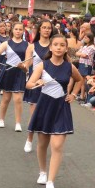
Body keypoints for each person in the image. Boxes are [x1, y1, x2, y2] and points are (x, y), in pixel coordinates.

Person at [26, 34, 82, 188]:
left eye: (62, 45)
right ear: (50, 47)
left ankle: (51, 181)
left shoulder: (69, 67)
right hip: (44, 106)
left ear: (66, 48)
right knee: (42, 143)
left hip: (61, 107)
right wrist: (36, 83)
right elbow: (28, 84)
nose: (58, 47)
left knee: (56, 145)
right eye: (55, 44)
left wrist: (73, 94)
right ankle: (43, 172)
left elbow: (79, 80)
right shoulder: (42, 66)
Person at [23, 19, 58, 154]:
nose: (46, 30)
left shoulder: (54, 46)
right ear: (39, 30)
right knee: (35, 114)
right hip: (35, 82)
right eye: (44, 27)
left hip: (50, 84)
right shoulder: (32, 46)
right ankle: (29, 139)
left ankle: (45, 142)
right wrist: (22, 67)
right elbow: (27, 65)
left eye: (49, 28)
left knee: (49, 114)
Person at [0, 21, 29, 131]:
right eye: (16, 29)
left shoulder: (27, 45)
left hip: (20, 72)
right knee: (6, 98)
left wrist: (24, 66)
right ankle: (1, 119)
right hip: (8, 71)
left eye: (20, 29)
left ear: (23, 31)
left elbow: (27, 63)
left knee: (18, 99)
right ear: (12, 30)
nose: (18, 31)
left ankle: (18, 123)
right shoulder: (7, 43)